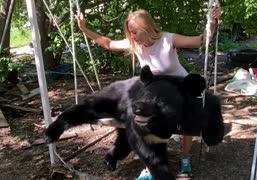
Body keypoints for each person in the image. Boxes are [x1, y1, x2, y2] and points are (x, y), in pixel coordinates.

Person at [75, 4, 221, 179]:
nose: (132, 36)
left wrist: (212, 22)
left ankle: (185, 156)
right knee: (142, 119)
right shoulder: (134, 45)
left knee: (187, 123)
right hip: (155, 91)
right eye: (130, 32)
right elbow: (107, 43)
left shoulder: (168, 39)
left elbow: (201, 40)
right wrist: (84, 29)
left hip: (179, 88)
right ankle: (150, 166)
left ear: (146, 28)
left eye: (134, 31)